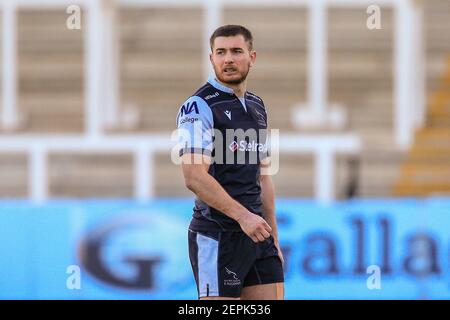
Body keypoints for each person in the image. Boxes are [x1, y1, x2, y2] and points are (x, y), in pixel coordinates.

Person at [176, 25, 284, 300]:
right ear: (211, 58)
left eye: (236, 51)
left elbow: (264, 177)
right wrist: (244, 217)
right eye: (220, 52)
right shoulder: (198, 106)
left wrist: (273, 237)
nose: (228, 59)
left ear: (252, 57)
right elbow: (194, 177)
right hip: (219, 234)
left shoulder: (258, 106)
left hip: (258, 236)